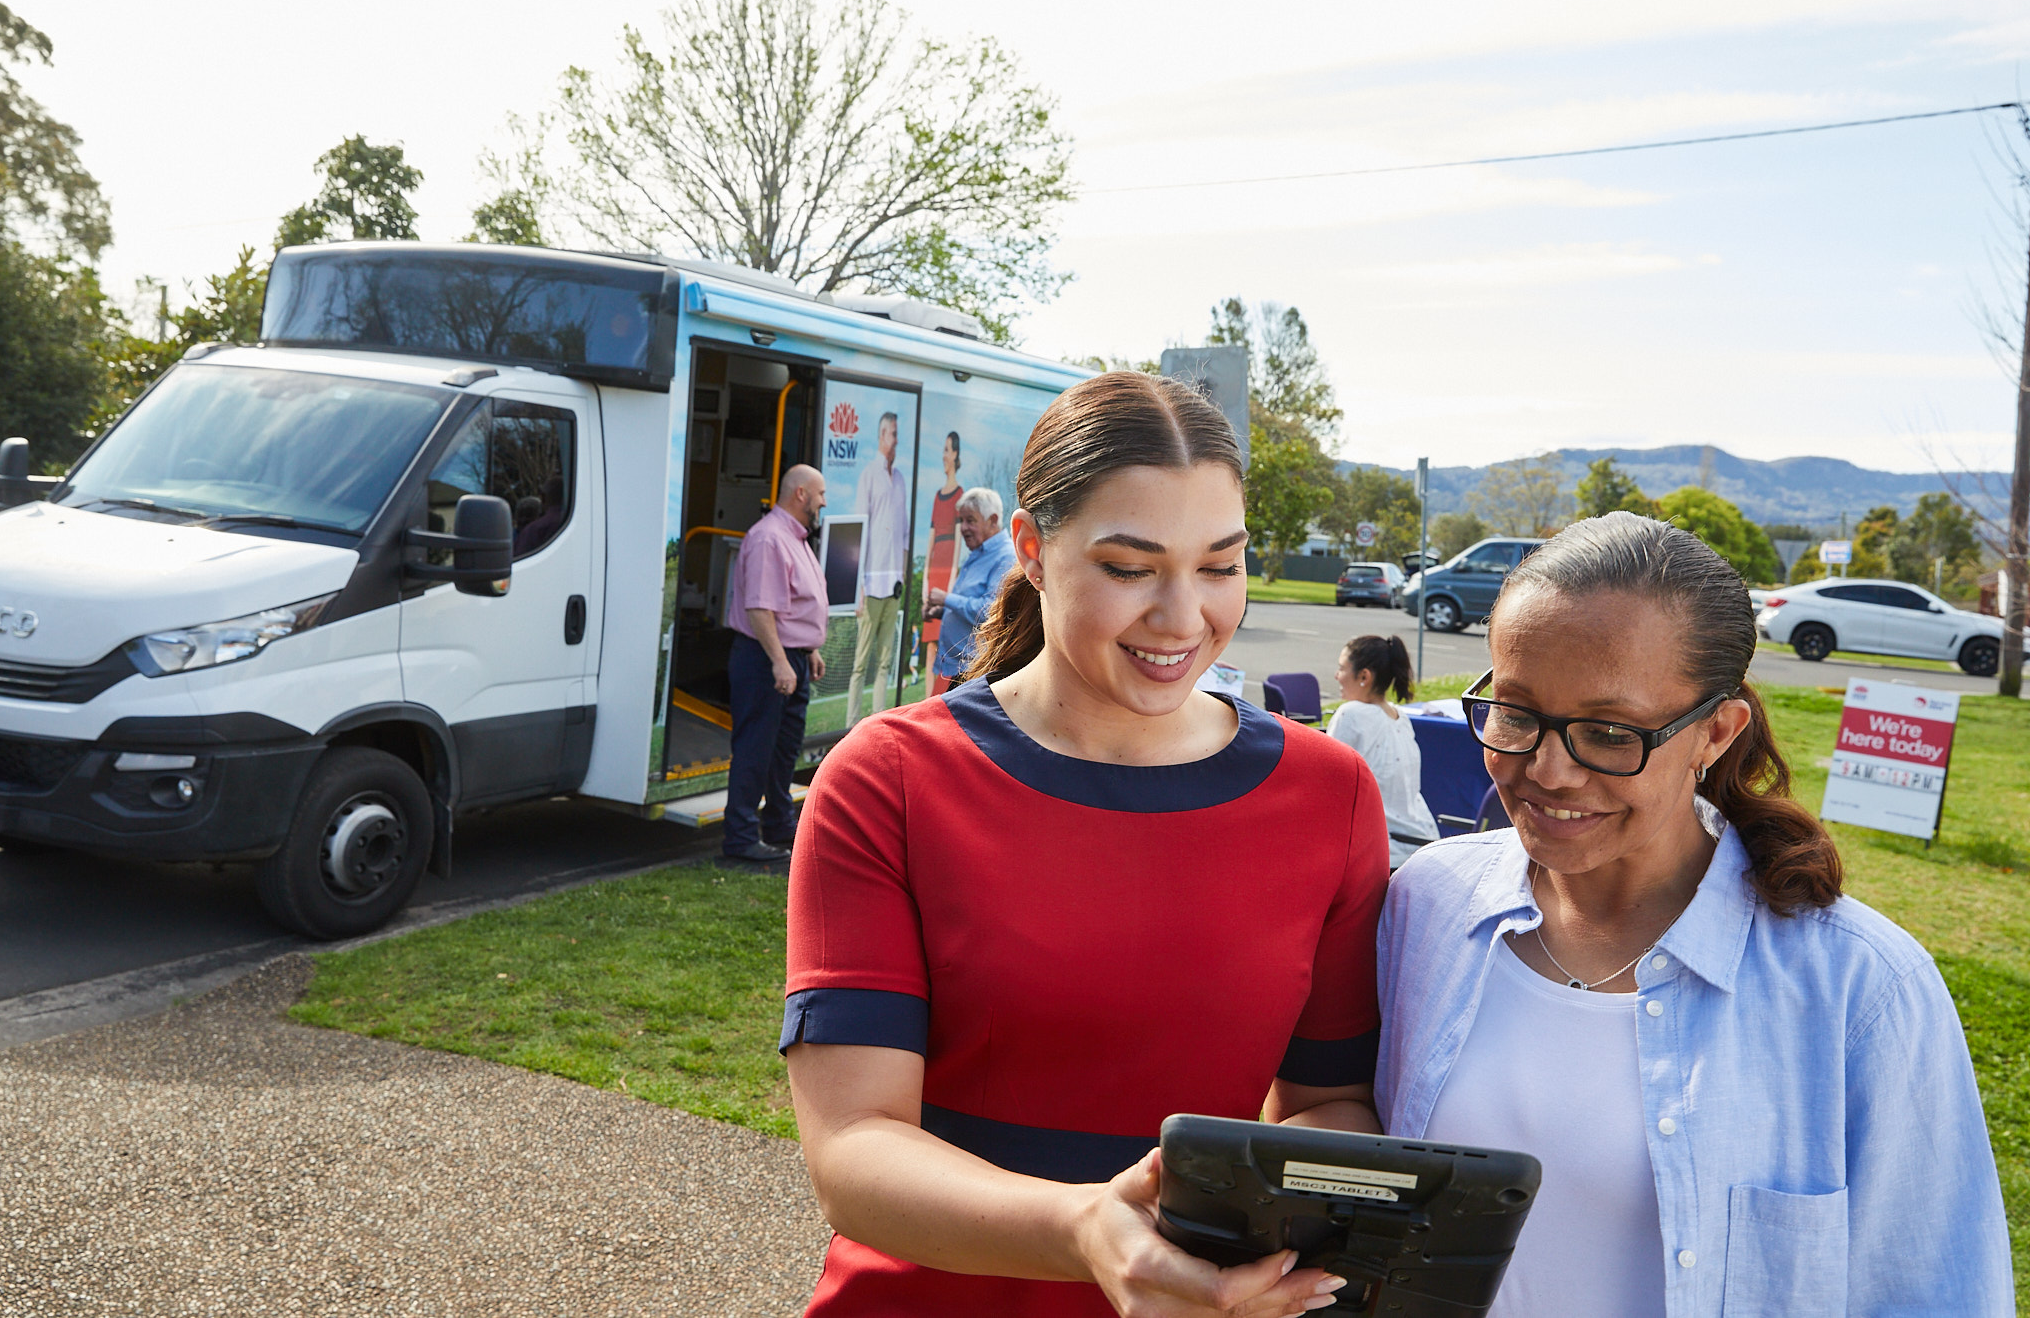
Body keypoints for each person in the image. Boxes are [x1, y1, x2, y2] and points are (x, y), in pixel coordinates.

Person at [783, 372, 1390, 1317]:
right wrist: (1083, 1233)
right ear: (1032, 548)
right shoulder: (889, 779)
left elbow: (1332, 1101)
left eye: (1220, 565)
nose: (1183, 617)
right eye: (1129, 567)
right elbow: (855, 1147)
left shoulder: (1328, 794)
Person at [1375, 512, 2009, 1317]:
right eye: (1517, 712)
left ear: (1716, 730)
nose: (1547, 770)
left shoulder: (1861, 991)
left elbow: (1935, 1292)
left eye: (1609, 732)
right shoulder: (1425, 907)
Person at [721, 464, 828, 864]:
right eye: (820, 494)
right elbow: (761, 609)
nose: (823, 502)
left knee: (783, 752)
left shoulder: (795, 538)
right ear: (800, 493)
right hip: (766, 660)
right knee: (755, 749)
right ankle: (741, 839)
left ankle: (779, 826)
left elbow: (794, 606)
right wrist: (782, 662)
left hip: (790, 659)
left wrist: (809, 650)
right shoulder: (769, 538)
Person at [1326, 635, 1437, 870]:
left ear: (1364, 676)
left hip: (1383, 852)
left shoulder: (1351, 714)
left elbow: (1326, 785)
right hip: (1422, 843)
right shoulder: (1401, 716)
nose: (1337, 675)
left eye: (1341, 668)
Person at [846, 411, 908, 727]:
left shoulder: (899, 480)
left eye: (897, 434)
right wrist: (857, 587)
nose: (897, 439)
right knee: (860, 665)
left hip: (893, 585)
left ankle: (878, 725)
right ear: (882, 434)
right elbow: (859, 532)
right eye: (893, 433)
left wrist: (904, 577)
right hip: (869, 586)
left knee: (885, 662)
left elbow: (905, 537)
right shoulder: (869, 475)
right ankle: (851, 725)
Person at [925, 486, 1010, 691]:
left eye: (970, 521)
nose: (962, 528)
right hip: (960, 670)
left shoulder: (1005, 557)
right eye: (961, 520)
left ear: (992, 520)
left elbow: (991, 611)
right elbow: (970, 603)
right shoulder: (977, 553)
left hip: (976, 673)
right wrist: (942, 611)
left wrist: (946, 599)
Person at [921, 431, 965, 685]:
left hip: (948, 571)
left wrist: (950, 584)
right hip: (934, 568)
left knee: (943, 642)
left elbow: (958, 542)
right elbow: (930, 539)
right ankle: (923, 701)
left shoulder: (960, 495)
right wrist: (926, 580)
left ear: (955, 454)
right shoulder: (938, 496)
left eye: (947, 450)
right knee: (928, 643)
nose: (943, 455)